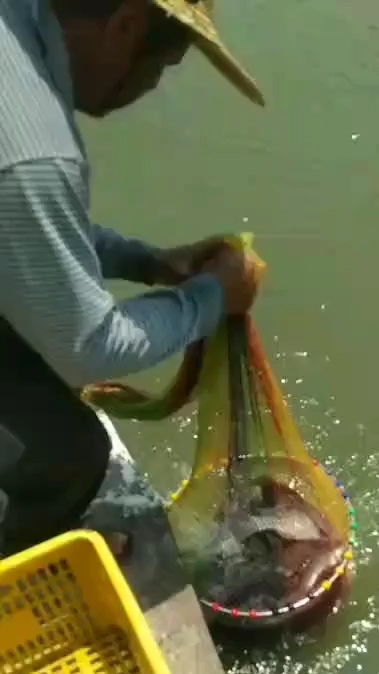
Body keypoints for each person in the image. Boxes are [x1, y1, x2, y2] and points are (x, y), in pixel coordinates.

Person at [0, 0, 265, 559]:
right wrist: (213, 296)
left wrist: (149, 262)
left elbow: (24, 229)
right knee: (67, 454)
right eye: (161, 67)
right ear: (124, 26)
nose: (150, 88)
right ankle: (23, 564)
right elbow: (90, 348)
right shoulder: (38, 155)